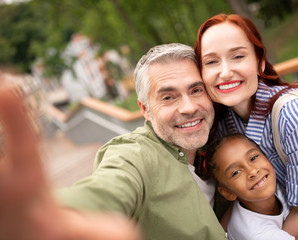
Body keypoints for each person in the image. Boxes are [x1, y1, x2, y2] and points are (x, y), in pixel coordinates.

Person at [0, 43, 228, 240]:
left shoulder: (224, 139)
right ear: (145, 110)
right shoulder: (133, 156)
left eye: (196, 90)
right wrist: (52, 215)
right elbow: (108, 189)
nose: (189, 107)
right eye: (168, 97)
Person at [193, 13, 298, 238]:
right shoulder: (225, 126)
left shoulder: (296, 115)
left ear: (259, 61)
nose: (225, 72)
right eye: (211, 61)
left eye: (238, 56)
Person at [205, 133, 298, 240]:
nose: (253, 171)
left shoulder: (272, 183)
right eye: (236, 172)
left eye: (253, 158)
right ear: (228, 193)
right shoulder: (257, 234)